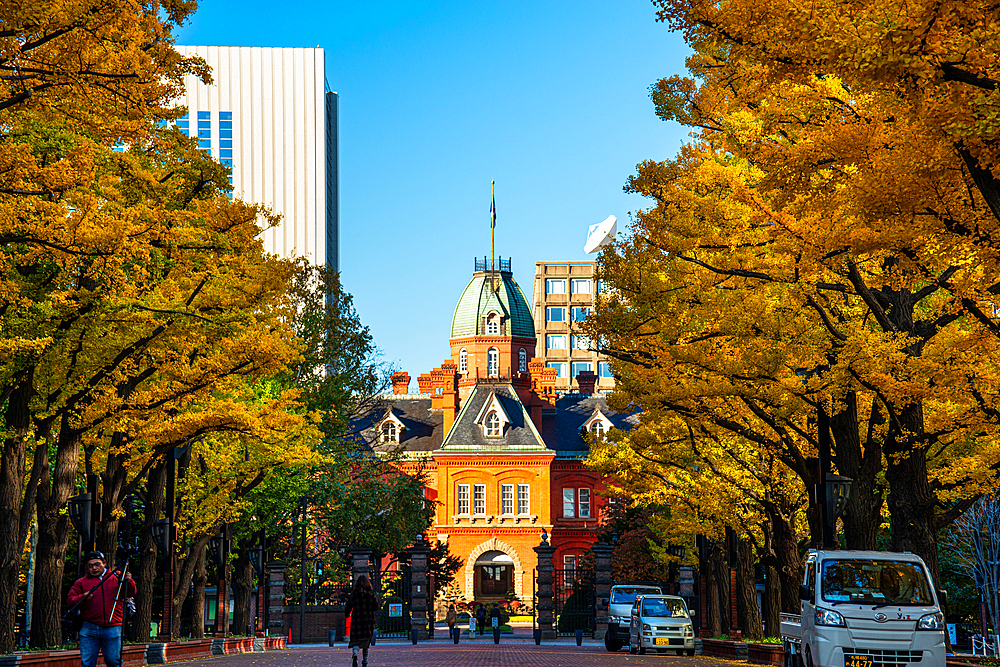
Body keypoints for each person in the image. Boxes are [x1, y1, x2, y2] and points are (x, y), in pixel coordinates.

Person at [66, 551, 136, 667]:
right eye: (90, 566)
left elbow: (130, 593)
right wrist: (82, 597)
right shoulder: (81, 582)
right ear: (87, 567)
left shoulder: (117, 576)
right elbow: (70, 601)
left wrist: (129, 581)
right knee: (87, 663)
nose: (94, 568)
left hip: (113, 626)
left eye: (97, 564)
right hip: (89, 626)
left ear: (104, 563)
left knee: (113, 661)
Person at [344, 576, 378, 667]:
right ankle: (365, 661)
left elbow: (348, 606)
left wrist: (347, 614)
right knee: (366, 643)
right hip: (368, 621)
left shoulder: (354, 594)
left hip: (357, 621)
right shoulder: (370, 595)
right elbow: (376, 607)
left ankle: (355, 654)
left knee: (356, 641)